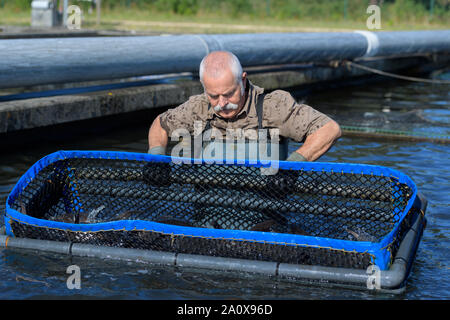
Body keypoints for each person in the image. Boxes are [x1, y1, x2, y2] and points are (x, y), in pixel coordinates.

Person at [148, 51, 341, 162]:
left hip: (264, 214)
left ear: (243, 80)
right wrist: (156, 158)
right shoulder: (197, 107)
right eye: (214, 96)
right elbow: (160, 125)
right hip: (209, 209)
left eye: (229, 93)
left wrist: (291, 168)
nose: (222, 103)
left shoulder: (273, 106)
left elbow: (328, 129)